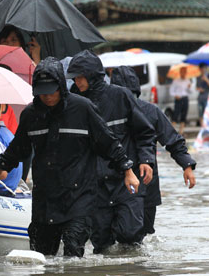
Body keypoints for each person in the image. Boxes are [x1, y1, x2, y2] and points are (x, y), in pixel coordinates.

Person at [0, 57, 139, 257]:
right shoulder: (31, 115)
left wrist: (127, 170)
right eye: (42, 92)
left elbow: (108, 142)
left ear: (61, 87)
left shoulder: (83, 109)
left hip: (79, 195)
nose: (48, 97)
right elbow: (18, 146)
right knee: (41, 256)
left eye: (52, 91)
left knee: (73, 251)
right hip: (45, 198)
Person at [66, 50, 156, 254]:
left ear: (92, 75)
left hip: (126, 179)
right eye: (75, 78)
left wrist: (146, 160)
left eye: (80, 76)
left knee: (131, 233)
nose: (77, 81)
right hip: (95, 184)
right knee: (101, 243)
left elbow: (144, 132)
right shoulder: (74, 103)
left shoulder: (120, 96)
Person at [111, 66, 197, 235]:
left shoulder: (151, 111)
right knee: (126, 232)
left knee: (143, 232)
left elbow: (172, 140)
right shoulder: (107, 113)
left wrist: (187, 165)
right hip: (119, 181)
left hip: (146, 181)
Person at [170, 66, 192, 135]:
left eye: (184, 72)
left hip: (185, 98)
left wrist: (189, 88)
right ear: (180, 72)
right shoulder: (176, 80)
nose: (183, 73)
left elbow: (190, 92)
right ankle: (172, 131)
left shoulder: (188, 80)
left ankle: (181, 131)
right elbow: (171, 91)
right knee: (176, 114)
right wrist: (175, 95)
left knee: (184, 114)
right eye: (182, 71)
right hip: (178, 99)